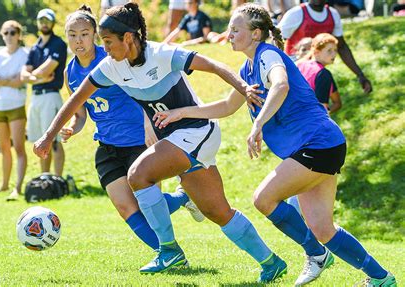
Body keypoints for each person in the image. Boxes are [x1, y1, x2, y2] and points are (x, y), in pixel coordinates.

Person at [34, 2, 286, 282]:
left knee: (139, 175)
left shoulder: (162, 54)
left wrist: (243, 87)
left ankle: (168, 249)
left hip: (197, 130)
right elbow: (76, 99)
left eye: (107, 41)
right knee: (217, 211)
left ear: (128, 38)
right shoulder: (111, 67)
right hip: (179, 139)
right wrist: (47, 135)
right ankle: (271, 262)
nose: (103, 48)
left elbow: (213, 65)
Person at [153, 4, 396, 287]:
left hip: (317, 144)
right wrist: (181, 112)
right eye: (229, 30)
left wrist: (257, 125)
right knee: (322, 227)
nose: (228, 35)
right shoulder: (248, 67)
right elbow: (228, 106)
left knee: (264, 199)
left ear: (255, 34)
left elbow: (281, 85)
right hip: (323, 144)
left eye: (235, 30)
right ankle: (381, 278)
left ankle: (317, 255)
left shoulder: (267, 54)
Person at [62, 4, 204, 251]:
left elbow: (142, 92)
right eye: (72, 35)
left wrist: (149, 124)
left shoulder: (112, 58)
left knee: (149, 206)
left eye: (84, 33)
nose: (78, 40)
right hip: (107, 144)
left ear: (95, 34)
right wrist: (73, 128)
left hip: (139, 140)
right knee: (126, 207)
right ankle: (169, 254)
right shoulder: (70, 72)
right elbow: (81, 114)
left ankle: (183, 198)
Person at [278, 0, 373, 93]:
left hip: (316, 72)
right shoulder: (296, 13)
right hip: (294, 71)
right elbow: (276, 41)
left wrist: (360, 75)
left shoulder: (333, 14)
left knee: (325, 103)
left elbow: (342, 47)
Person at [21, 8, 67, 177]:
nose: (44, 24)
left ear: (53, 23)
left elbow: (49, 68)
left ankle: (58, 179)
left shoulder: (59, 44)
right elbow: (23, 75)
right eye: (41, 20)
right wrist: (38, 78)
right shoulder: (34, 48)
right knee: (41, 141)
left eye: (47, 20)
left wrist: (33, 76)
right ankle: (45, 178)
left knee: (53, 141)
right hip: (36, 97)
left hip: (51, 95)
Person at [0, 20, 28, 200]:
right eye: (6, 33)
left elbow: (21, 80)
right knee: (4, 148)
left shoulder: (25, 54)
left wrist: (2, 80)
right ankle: (4, 185)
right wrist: (9, 80)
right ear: (2, 35)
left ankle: (17, 188)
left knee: (19, 148)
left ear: (19, 35)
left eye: (13, 32)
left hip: (16, 106)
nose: (9, 36)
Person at [297, 33, 342, 113]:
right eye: (329, 50)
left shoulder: (299, 65)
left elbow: (337, 103)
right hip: (308, 122)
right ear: (316, 52)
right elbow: (320, 111)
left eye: (335, 50)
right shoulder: (323, 74)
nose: (334, 54)